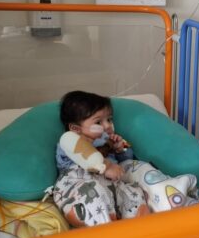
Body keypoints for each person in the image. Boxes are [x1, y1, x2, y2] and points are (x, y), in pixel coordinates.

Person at [53, 90, 150, 226]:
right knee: (93, 192)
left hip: (111, 186)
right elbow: (83, 153)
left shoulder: (107, 139)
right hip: (80, 184)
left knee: (134, 193)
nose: (107, 125)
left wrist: (121, 147)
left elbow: (128, 159)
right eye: (98, 122)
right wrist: (107, 166)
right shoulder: (69, 141)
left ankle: (138, 226)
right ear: (75, 128)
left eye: (109, 119)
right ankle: (104, 229)